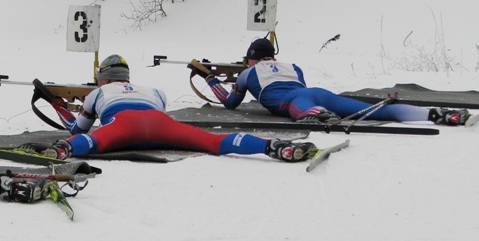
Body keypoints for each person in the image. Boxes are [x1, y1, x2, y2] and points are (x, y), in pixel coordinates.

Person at [38, 54, 316, 162]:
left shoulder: (99, 92)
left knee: (89, 141)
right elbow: (152, 113)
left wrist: (58, 106)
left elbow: (79, 127)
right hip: (161, 123)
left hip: (123, 124)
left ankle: (63, 150)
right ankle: (271, 147)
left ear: (104, 78)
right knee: (215, 142)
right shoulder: (155, 91)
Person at [199, 38, 471, 125]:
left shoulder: (248, 73)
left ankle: (319, 116)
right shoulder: (292, 66)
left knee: (302, 111)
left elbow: (231, 102)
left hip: (296, 101)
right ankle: (435, 114)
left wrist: (211, 79)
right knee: (373, 109)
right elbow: (300, 84)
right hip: (317, 92)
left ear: (251, 59)